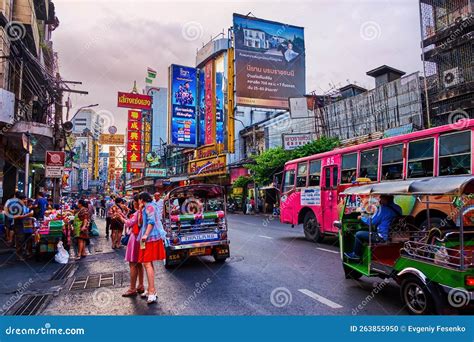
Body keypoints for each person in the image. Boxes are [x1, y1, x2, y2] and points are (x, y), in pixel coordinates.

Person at [344, 195, 402, 261]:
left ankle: (356, 255)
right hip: (392, 235)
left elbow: (371, 222)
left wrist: (362, 217)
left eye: (381, 198)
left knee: (358, 234)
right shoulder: (398, 208)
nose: (380, 200)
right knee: (366, 231)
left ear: (386, 199)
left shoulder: (383, 209)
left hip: (381, 237)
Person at [137, 192, 166, 304]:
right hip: (148, 238)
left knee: (147, 263)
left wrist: (145, 235)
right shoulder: (147, 207)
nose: (138, 202)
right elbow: (140, 223)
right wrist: (140, 210)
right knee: (148, 263)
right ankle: (150, 289)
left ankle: (152, 292)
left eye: (139, 200)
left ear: (142, 199)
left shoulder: (149, 206)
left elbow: (151, 222)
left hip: (150, 238)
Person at [117, 195, 144, 297]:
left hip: (135, 239)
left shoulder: (138, 213)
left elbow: (129, 223)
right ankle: (140, 285)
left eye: (134, 202)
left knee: (133, 263)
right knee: (139, 263)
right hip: (140, 239)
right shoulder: (143, 212)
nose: (133, 204)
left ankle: (132, 288)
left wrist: (120, 217)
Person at [11, 193, 34, 260]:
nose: (26, 200)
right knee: (20, 240)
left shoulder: (24, 206)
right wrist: (27, 215)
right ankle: (19, 255)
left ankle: (27, 252)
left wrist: (30, 212)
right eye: (24, 199)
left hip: (26, 225)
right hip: (19, 226)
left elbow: (26, 212)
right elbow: (15, 217)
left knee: (28, 239)